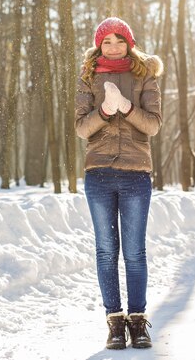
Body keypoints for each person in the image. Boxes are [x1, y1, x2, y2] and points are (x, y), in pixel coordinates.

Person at [75, 17, 163, 350]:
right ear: (99, 46)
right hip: (98, 174)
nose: (113, 47)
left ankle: (137, 322)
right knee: (106, 251)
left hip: (136, 174)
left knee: (135, 252)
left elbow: (153, 125)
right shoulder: (87, 77)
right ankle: (114, 323)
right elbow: (82, 128)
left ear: (130, 43)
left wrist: (125, 108)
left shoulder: (144, 76)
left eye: (119, 41)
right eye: (107, 42)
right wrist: (103, 110)